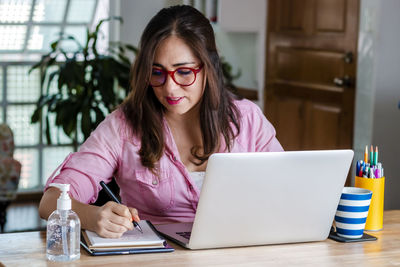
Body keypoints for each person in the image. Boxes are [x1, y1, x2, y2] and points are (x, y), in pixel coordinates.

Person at [38, 5, 283, 238]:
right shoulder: (123, 126)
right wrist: (92, 216)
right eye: (157, 72)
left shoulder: (247, 120)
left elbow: (287, 190)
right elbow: (49, 203)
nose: (169, 87)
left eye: (184, 72)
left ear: (208, 68)